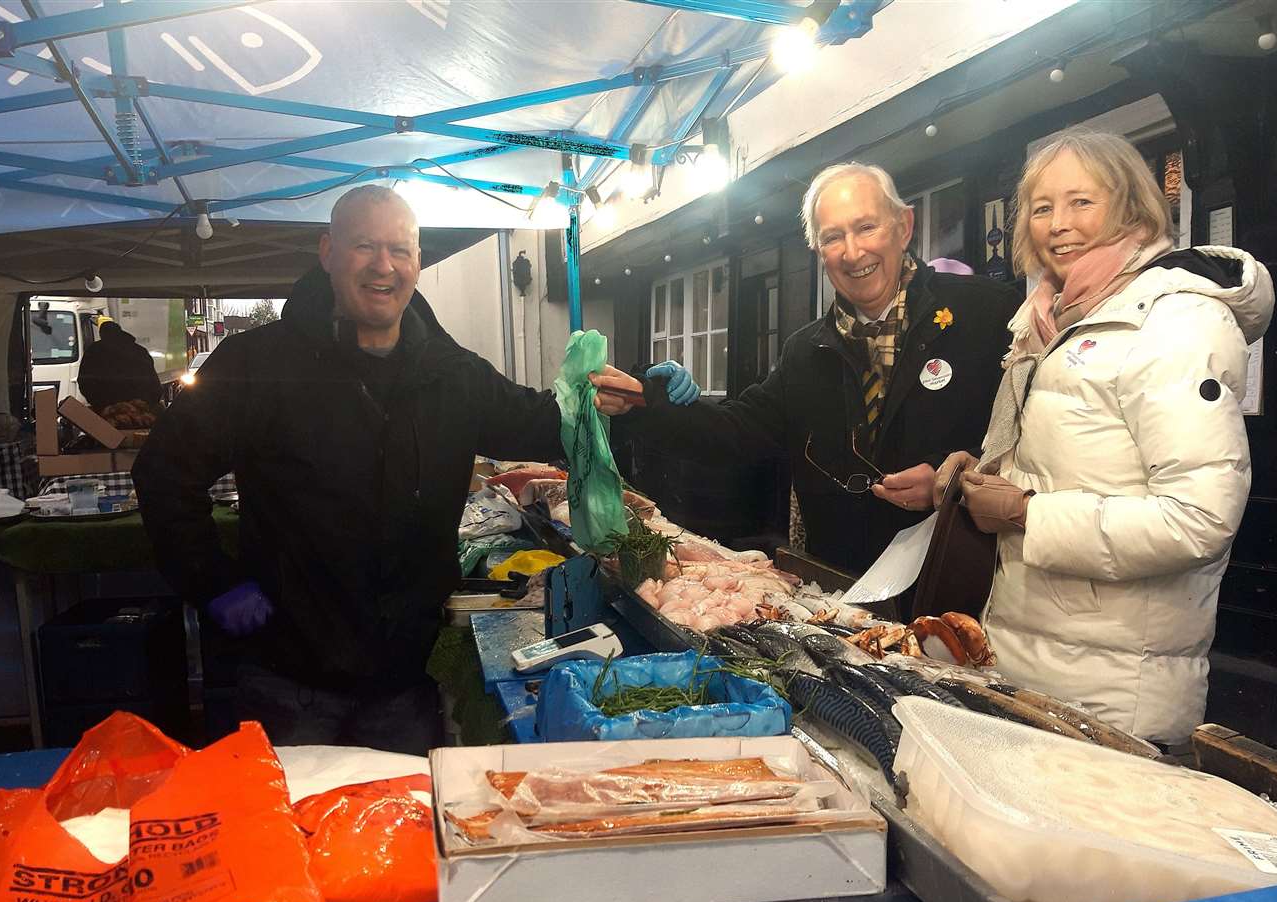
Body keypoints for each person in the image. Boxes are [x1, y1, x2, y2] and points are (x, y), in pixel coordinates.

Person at [133, 185, 564, 753]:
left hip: (404, 682)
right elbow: (165, 473)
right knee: (291, 834)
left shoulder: (452, 374)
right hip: (289, 679)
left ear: (417, 262)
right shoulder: (255, 365)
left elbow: (546, 423)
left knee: (397, 832)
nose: (384, 266)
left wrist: (637, 394)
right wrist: (214, 581)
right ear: (328, 252)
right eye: (365, 246)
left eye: (400, 250)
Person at [932, 128, 1274, 746]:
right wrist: (981, 473)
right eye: (1041, 208)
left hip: (1118, 691)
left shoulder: (1176, 320)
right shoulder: (1048, 317)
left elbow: (1198, 519)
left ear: (1130, 207)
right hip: (1025, 656)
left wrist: (1025, 512)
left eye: (1081, 202)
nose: (1058, 225)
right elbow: (1066, 463)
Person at [591, 162, 1020, 575]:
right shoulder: (806, 351)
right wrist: (646, 401)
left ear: (903, 226)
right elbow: (734, 434)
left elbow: (1032, 437)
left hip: (956, 582)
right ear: (818, 251)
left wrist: (953, 481)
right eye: (833, 237)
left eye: (866, 227)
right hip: (843, 588)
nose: (854, 252)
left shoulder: (985, 312)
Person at [79, 316, 162, 411]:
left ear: (102, 334)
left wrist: (97, 402)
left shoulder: (94, 351)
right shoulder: (139, 351)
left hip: (105, 409)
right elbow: (153, 382)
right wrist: (147, 403)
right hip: (140, 409)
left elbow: (84, 381)